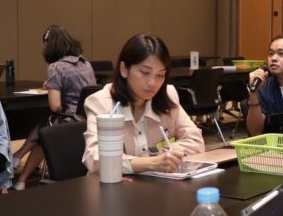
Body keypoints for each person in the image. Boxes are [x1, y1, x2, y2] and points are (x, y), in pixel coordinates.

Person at [81, 33, 204, 176]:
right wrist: (152, 162)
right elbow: (95, 159)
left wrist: (166, 155)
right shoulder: (100, 103)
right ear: (124, 69)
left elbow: (195, 140)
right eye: (145, 73)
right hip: (112, 185)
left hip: (156, 185)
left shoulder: (168, 96)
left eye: (160, 75)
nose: (153, 83)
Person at [13, 25, 96, 190]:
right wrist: (53, 85)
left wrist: (54, 88)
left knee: (45, 131)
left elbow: (55, 106)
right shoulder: (85, 63)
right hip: (87, 118)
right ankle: (21, 174)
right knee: (44, 128)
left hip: (70, 121)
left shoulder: (56, 67)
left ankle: (18, 162)